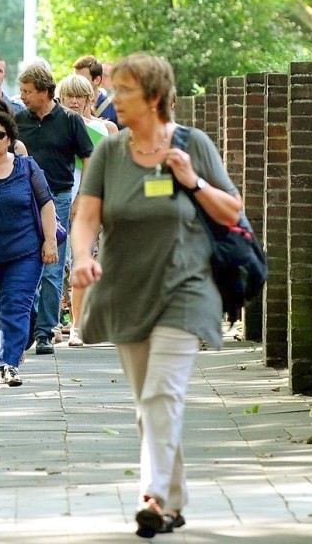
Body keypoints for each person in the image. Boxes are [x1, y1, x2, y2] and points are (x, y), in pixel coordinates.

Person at [70, 52, 242, 538]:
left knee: (162, 393)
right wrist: (82, 257)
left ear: (154, 96)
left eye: (124, 91)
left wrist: (192, 180)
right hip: (127, 288)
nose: (113, 98)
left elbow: (231, 212)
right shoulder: (110, 151)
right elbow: (86, 215)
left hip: (187, 288)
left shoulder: (193, 145)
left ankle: (152, 494)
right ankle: (174, 501)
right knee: (150, 400)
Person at [0, 110, 58, 386]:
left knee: (16, 306)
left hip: (24, 252)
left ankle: (9, 364)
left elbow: (47, 203)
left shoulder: (26, 166)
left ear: (9, 138)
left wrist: (50, 241)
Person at [15, 64, 94, 355]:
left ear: (44, 92)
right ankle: (27, 325)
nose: (22, 96)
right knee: (24, 263)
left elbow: (90, 158)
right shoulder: (18, 120)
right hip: (23, 200)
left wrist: (82, 197)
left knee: (53, 265)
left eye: (27, 91)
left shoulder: (70, 120)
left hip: (59, 198)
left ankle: (46, 330)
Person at [55, 74, 117, 347]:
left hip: (92, 206)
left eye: (80, 95)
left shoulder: (107, 129)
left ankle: (80, 324)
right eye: (69, 95)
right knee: (57, 266)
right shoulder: (55, 127)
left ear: (90, 98)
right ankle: (55, 323)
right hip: (58, 202)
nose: (75, 101)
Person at [73, 54, 119, 127]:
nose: (77, 83)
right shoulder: (69, 106)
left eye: (83, 79)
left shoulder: (114, 108)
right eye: (75, 79)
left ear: (97, 80)